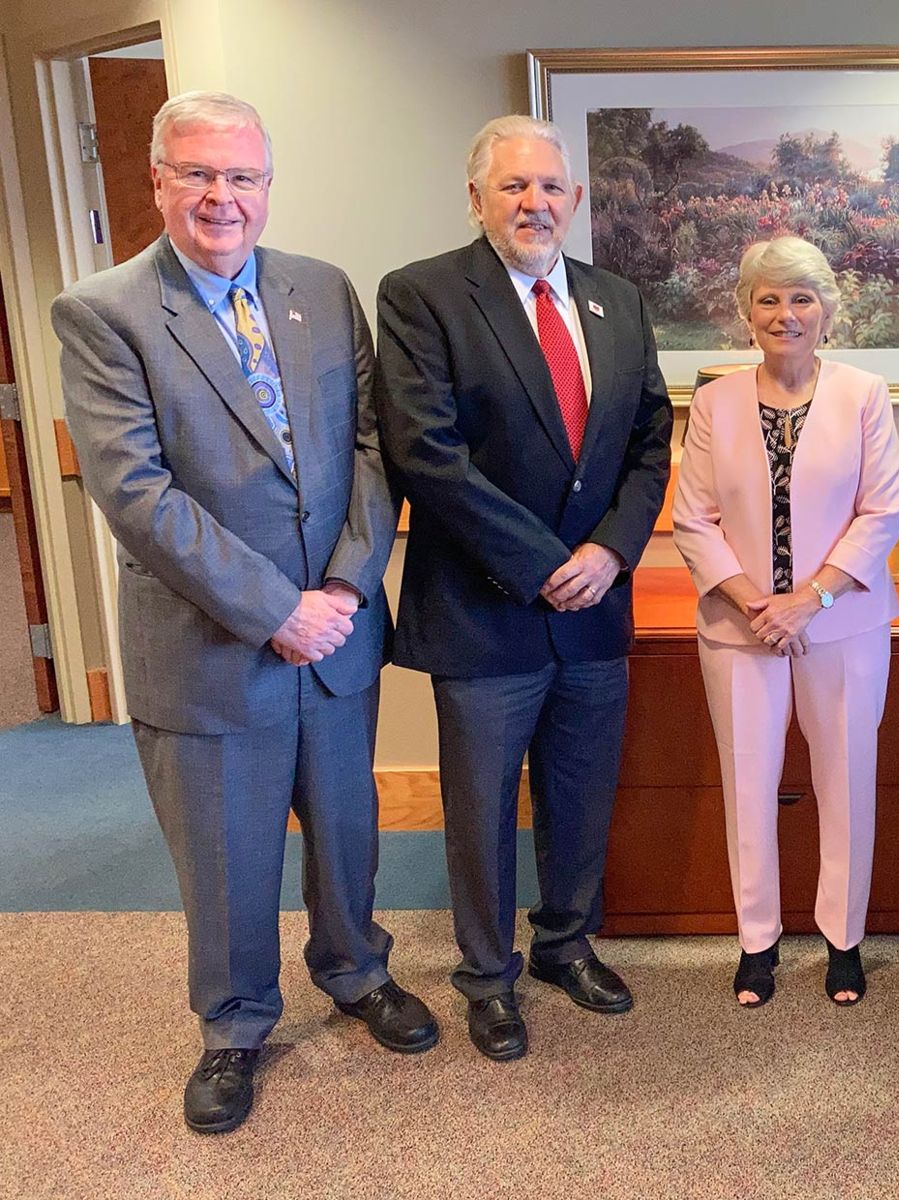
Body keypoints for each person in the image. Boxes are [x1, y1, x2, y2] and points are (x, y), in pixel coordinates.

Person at [51, 92, 434, 1135]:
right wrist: (277, 609)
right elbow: (136, 494)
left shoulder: (320, 288)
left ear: (269, 184)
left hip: (336, 638)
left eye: (244, 176)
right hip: (212, 645)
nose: (225, 196)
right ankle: (233, 1024)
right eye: (201, 174)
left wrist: (350, 587)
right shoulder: (105, 312)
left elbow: (367, 448)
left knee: (347, 826)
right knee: (226, 848)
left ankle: (356, 972)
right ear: (159, 182)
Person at [375, 115, 671, 1060]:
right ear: (477, 198)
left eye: (551, 188)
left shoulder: (616, 300)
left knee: (582, 793)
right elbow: (427, 452)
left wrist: (615, 551)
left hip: (596, 606)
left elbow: (649, 439)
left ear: (574, 201)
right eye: (514, 187)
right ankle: (486, 975)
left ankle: (563, 944)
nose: (535, 203)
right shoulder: (422, 295)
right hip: (485, 608)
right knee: (483, 806)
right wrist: (545, 562)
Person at [673, 237, 899, 1007]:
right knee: (748, 784)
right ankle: (757, 942)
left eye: (802, 298)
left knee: (846, 782)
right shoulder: (715, 401)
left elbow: (881, 512)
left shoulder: (864, 394)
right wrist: (755, 602)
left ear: (829, 310)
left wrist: (812, 598)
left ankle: (843, 939)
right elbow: (694, 518)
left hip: (843, 627)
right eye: (768, 299)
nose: (786, 314)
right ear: (746, 313)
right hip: (740, 631)